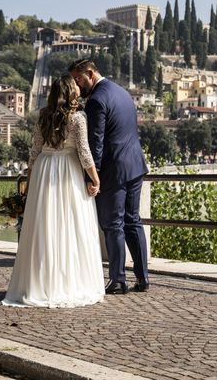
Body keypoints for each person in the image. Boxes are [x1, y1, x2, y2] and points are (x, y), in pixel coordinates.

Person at [1, 75, 105, 308]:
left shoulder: (42, 117)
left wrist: (29, 184)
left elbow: (34, 153)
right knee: (71, 226)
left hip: (44, 170)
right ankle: (69, 283)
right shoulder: (78, 118)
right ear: (71, 92)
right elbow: (84, 153)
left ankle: (40, 283)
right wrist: (96, 180)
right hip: (67, 172)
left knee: (44, 227)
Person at [68, 59, 149, 294]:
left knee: (113, 225)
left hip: (114, 170)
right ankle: (143, 278)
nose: (77, 85)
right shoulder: (122, 92)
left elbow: (96, 144)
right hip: (135, 165)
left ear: (90, 74)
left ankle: (118, 279)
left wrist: (91, 177)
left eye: (79, 79)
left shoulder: (95, 100)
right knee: (133, 221)